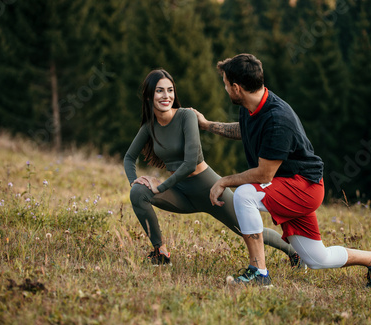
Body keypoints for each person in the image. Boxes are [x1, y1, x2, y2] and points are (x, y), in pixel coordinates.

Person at [194, 54, 371, 289]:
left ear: (237, 88)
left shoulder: (278, 119)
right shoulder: (251, 106)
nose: (226, 89)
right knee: (317, 259)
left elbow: (264, 175)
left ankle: (258, 272)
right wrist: (208, 125)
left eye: (226, 85)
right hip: (290, 185)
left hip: (303, 187)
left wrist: (224, 181)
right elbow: (245, 130)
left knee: (244, 194)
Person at [123, 68, 300, 266]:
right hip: (179, 192)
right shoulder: (149, 126)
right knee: (138, 192)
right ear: (149, 95)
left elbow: (190, 163)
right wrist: (134, 181)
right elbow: (129, 158)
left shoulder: (186, 117)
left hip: (209, 188)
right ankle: (160, 252)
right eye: (160, 91)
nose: (167, 96)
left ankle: (294, 252)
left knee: (245, 229)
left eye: (170, 90)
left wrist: (160, 186)